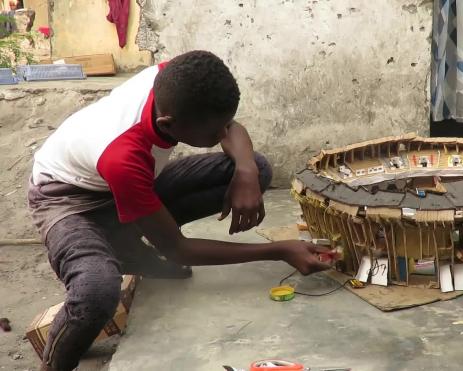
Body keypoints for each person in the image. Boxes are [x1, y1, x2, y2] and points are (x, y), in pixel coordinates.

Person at [28, 50, 331, 371]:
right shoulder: (123, 156)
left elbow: (231, 128)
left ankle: (123, 243)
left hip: (128, 183)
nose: (222, 136)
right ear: (168, 124)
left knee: (255, 168)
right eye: (214, 133)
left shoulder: (174, 80)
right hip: (69, 201)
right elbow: (179, 249)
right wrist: (280, 250)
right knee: (97, 292)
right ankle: (54, 364)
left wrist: (245, 171)